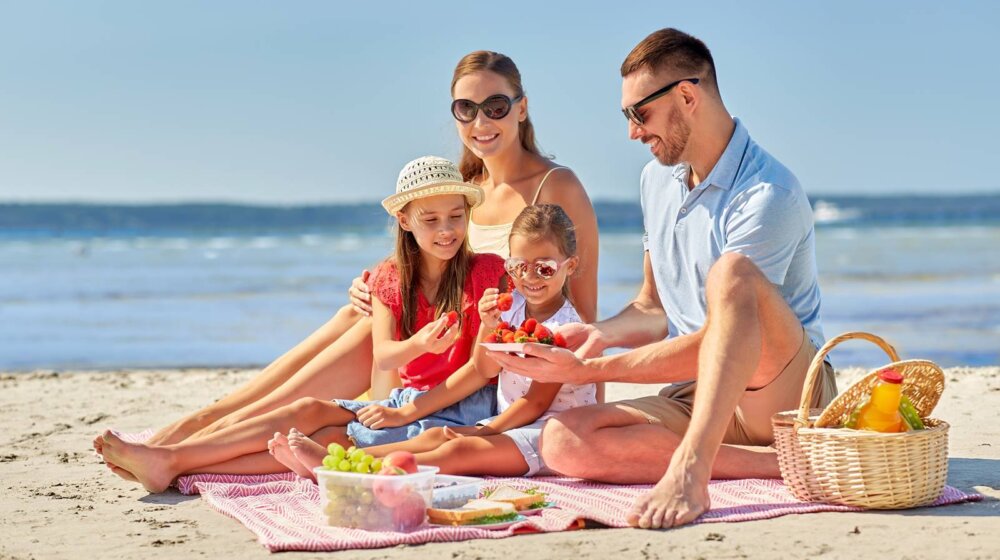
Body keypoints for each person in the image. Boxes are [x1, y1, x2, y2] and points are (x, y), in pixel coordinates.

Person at [131, 50, 600, 453]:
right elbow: (430, 262)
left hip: (490, 368)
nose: (481, 122)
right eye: (466, 108)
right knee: (357, 311)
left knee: (365, 331)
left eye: (496, 106)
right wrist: (379, 283)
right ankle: (215, 419)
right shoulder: (465, 187)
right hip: (440, 344)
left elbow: (579, 312)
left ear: (521, 108)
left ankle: (214, 431)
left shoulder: (554, 186)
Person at [485, 28, 838, 529]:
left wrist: (591, 373)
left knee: (731, 274)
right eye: (626, 116)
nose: (632, 132)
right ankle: (773, 464)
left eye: (639, 113)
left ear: (687, 96)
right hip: (696, 392)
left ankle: (692, 468)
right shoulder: (657, 181)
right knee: (561, 439)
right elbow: (653, 308)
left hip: (780, 394)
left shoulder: (767, 193)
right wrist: (598, 337)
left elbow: (730, 339)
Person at [95, 156, 508, 493]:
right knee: (307, 410)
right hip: (404, 400)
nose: (447, 230)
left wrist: (408, 410)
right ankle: (172, 459)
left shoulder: (486, 271)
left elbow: (479, 372)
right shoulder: (390, 276)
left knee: (327, 442)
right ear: (405, 221)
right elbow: (384, 355)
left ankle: (173, 463)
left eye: (456, 216)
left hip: (454, 407)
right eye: (431, 220)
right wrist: (418, 346)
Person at [271, 204, 596, 478]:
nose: (529, 278)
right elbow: (483, 367)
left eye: (544, 269)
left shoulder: (566, 328)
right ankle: (344, 463)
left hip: (550, 436)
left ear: (570, 265)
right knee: (437, 435)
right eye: (518, 267)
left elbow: (536, 403)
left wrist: (486, 429)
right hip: (511, 425)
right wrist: (488, 324)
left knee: (457, 448)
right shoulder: (515, 310)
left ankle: (346, 473)